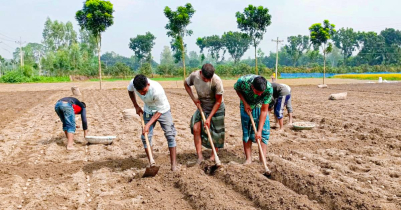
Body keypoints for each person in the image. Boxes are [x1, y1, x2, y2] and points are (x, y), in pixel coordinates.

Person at [128, 74, 178, 171]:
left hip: (163, 110)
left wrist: (148, 125)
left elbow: (159, 112)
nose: (142, 94)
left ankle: (173, 165)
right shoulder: (133, 84)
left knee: (170, 134)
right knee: (145, 137)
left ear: (148, 84)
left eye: (144, 91)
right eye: (140, 92)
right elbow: (130, 91)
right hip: (148, 110)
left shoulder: (157, 90)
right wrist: (136, 106)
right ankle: (151, 162)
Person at [184, 64, 225, 164]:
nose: (206, 81)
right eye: (205, 78)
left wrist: (209, 118)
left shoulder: (217, 81)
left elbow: (218, 101)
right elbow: (186, 84)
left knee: (215, 133)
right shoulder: (195, 76)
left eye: (209, 79)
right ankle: (200, 156)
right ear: (201, 73)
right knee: (196, 128)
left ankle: (213, 157)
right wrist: (194, 99)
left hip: (216, 107)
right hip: (202, 106)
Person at [234, 75, 273, 165]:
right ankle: (248, 159)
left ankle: (262, 160)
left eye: (261, 92)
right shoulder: (243, 82)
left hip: (260, 106)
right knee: (247, 131)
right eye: (257, 92)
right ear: (252, 87)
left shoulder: (269, 88)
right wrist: (245, 103)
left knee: (263, 132)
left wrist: (259, 131)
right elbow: (237, 89)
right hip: (246, 105)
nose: (260, 94)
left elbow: (264, 110)